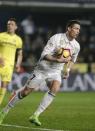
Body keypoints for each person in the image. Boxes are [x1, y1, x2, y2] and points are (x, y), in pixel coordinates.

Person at [0, 20, 80, 126]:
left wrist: (67, 70)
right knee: (26, 92)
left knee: (55, 88)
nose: (78, 31)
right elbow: (44, 55)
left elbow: (72, 59)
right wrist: (58, 60)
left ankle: (35, 115)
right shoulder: (56, 38)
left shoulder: (76, 46)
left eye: (79, 29)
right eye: (76, 28)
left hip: (56, 71)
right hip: (43, 68)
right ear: (69, 28)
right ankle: (4, 112)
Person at [0, 18, 23, 105]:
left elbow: (20, 54)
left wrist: (18, 64)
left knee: (4, 83)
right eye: (8, 24)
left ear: (16, 27)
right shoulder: (1, 35)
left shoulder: (18, 40)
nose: (9, 26)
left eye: (12, 24)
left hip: (9, 65)